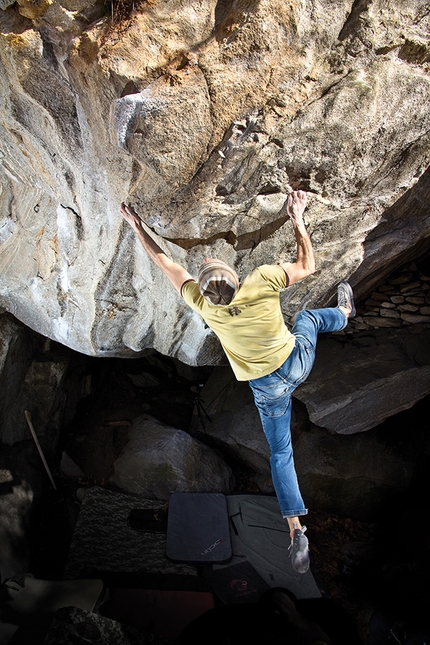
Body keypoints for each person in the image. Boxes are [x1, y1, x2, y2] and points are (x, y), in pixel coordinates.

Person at [120, 191, 355, 574]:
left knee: (281, 455)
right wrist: (296, 216)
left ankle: (296, 527)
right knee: (309, 320)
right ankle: (344, 313)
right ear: (236, 277)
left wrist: (136, 227)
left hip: (267, 389)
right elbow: (307, 265)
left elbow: (166, 264)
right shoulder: (261, 281)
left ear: (208, 294)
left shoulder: (205, 306)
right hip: (294, 363)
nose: (207, 259)